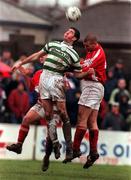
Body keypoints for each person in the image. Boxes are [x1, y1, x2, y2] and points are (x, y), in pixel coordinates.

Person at [11, 27, 89, 162]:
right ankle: (54, 145)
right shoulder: (52, 44)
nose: (66, 32)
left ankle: (69, 149)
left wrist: (87, 73)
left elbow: (77, 74)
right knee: (47, 116)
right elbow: (36, 55)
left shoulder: (74, 54)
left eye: (70, 32)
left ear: (74, 38)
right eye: (67, 30)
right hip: (45, 80)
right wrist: (21, 63)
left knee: (63, 114)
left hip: (57, 80)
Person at [71, 34, 107, 169]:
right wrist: (80, 69)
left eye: (87, 46)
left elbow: (83, 71)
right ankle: (93, 152)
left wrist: (76, 70)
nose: (85, 48)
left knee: (82, 118)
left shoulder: (98, 54)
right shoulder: (90, 52)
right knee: (92, 122)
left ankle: (74, 149)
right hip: (95, 87)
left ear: (94, 43)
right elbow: (83, 69)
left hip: (92, 87)